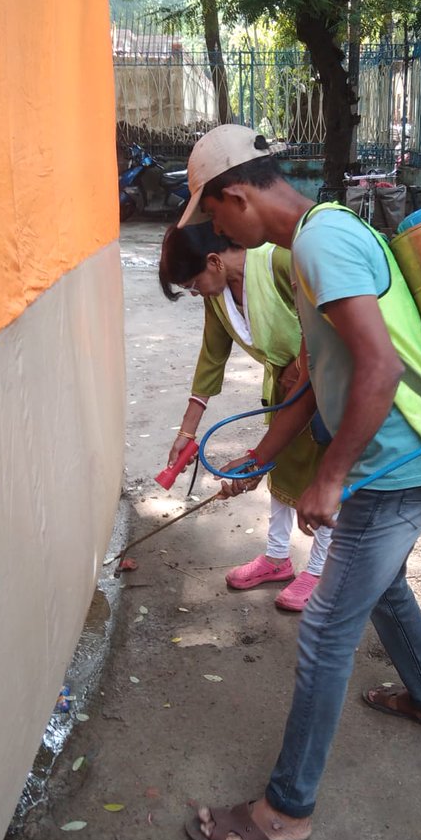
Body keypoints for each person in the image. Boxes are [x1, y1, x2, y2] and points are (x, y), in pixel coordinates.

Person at [178, 125, 421, 840]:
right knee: (387, 585)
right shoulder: (306, 244)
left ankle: (286, 809)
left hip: (400, 461)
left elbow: (380, 371)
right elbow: (318, 380)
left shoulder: (319, 243)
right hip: (405, 457)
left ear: (235, 197)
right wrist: (262, 458)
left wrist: (330, 479)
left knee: (326, 633)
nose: (220, 233)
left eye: (215, 218)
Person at [158, 220, 333, 612]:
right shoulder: (217, 296)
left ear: (215, 261)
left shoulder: (281, 262)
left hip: (327, 386)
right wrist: (187, 431)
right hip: (285, 390)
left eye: (192, 284)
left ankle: (321, 571)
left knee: (325, 476)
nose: (194, 292)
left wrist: (305, 368)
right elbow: (211, 358)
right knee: (279, 467)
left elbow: (327, 324)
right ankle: (276, 558)